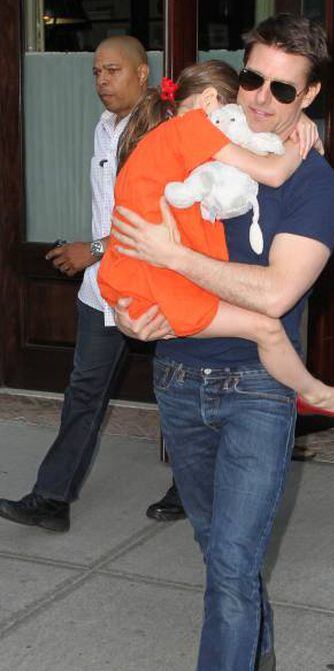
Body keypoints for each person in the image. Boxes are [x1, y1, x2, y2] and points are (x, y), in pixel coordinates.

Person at [112, 14, 334, 671]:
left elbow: (274, 294)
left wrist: (175, 258)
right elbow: (128, 235)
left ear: (309, 99)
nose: (260, 98)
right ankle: (258, 649)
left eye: (282, 90)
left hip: (257, 387)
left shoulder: (314, 183)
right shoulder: (196, 141)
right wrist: (129, 313)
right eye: (252, 78)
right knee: (218, 547)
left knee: (233, 563)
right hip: (178, 375)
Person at [98, 60, 334, 419]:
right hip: (161, 306)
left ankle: (312, 393)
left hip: (148, 292)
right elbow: (272, 173)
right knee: (264, 327)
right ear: (213, 102)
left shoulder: (162, 143)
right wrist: (298, 140)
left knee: (264, 325)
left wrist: (297, 121)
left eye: (284, 90)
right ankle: (315, 394)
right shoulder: (194, 130)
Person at [0, 35, 184, 533]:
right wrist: (94, 256)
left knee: (178, 394)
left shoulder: (163, 132)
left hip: (154, 290)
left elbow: (162, 220)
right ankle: (51, 499)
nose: (102, 81)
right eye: (96, 72)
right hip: (101, 292)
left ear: (142, 74)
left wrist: (93, 250)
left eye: (113, 71)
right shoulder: (105, 127)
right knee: (83, 395)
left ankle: (189, 488)